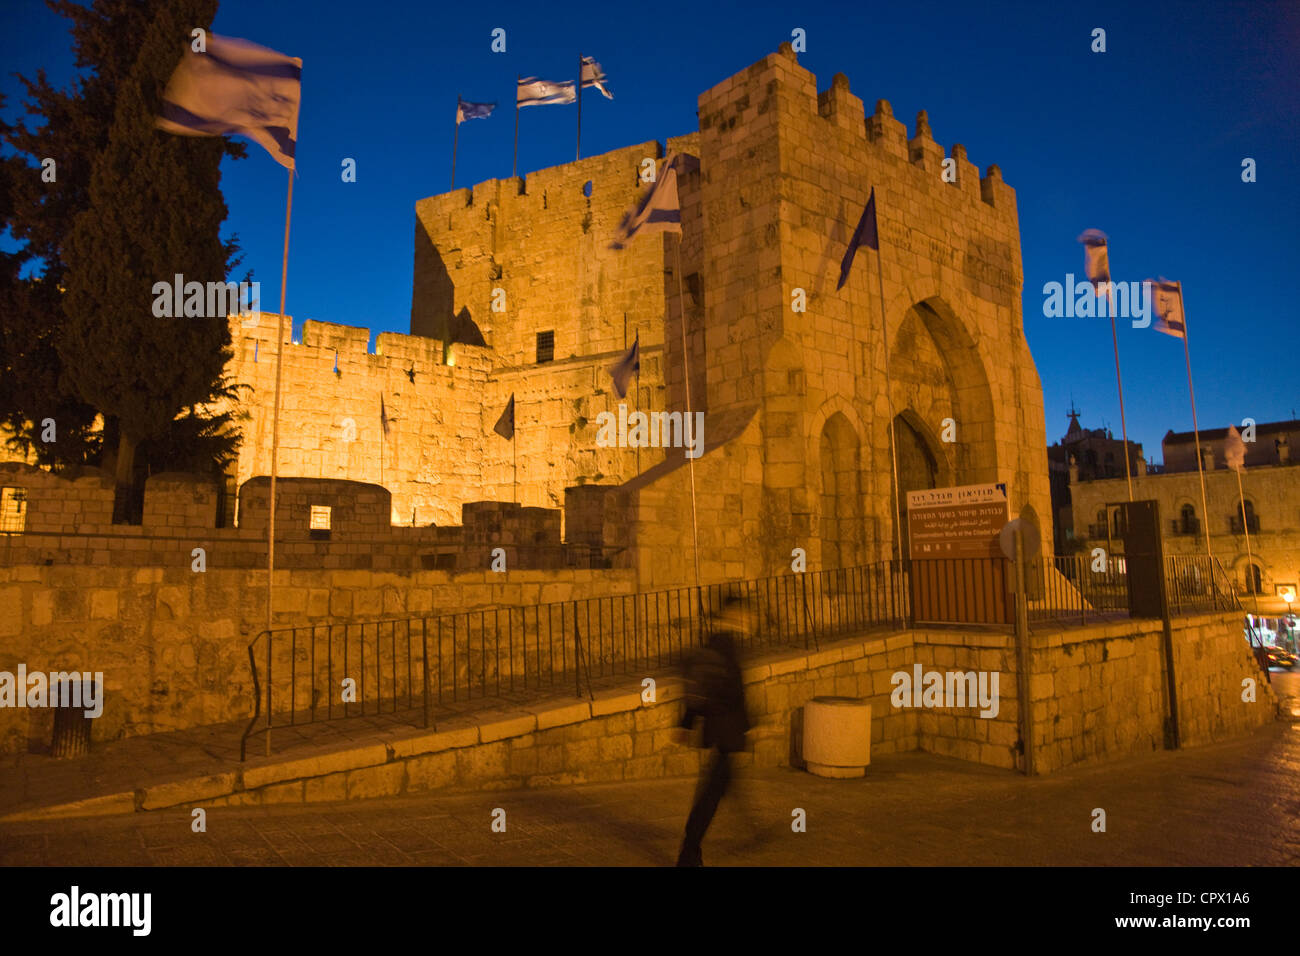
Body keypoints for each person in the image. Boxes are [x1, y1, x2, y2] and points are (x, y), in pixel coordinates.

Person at [675, 596, 751, 867]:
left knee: (722, 783)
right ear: (735, 614)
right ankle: (689, 850)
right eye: (744, 614)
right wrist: (747, 726)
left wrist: (686, 723)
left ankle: (750, 828)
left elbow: (699, 687)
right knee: (711, 792)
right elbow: (733, 692)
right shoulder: (727, 646)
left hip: (720, 730)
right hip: (726, 731)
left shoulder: (713, 642)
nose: (749, 620)